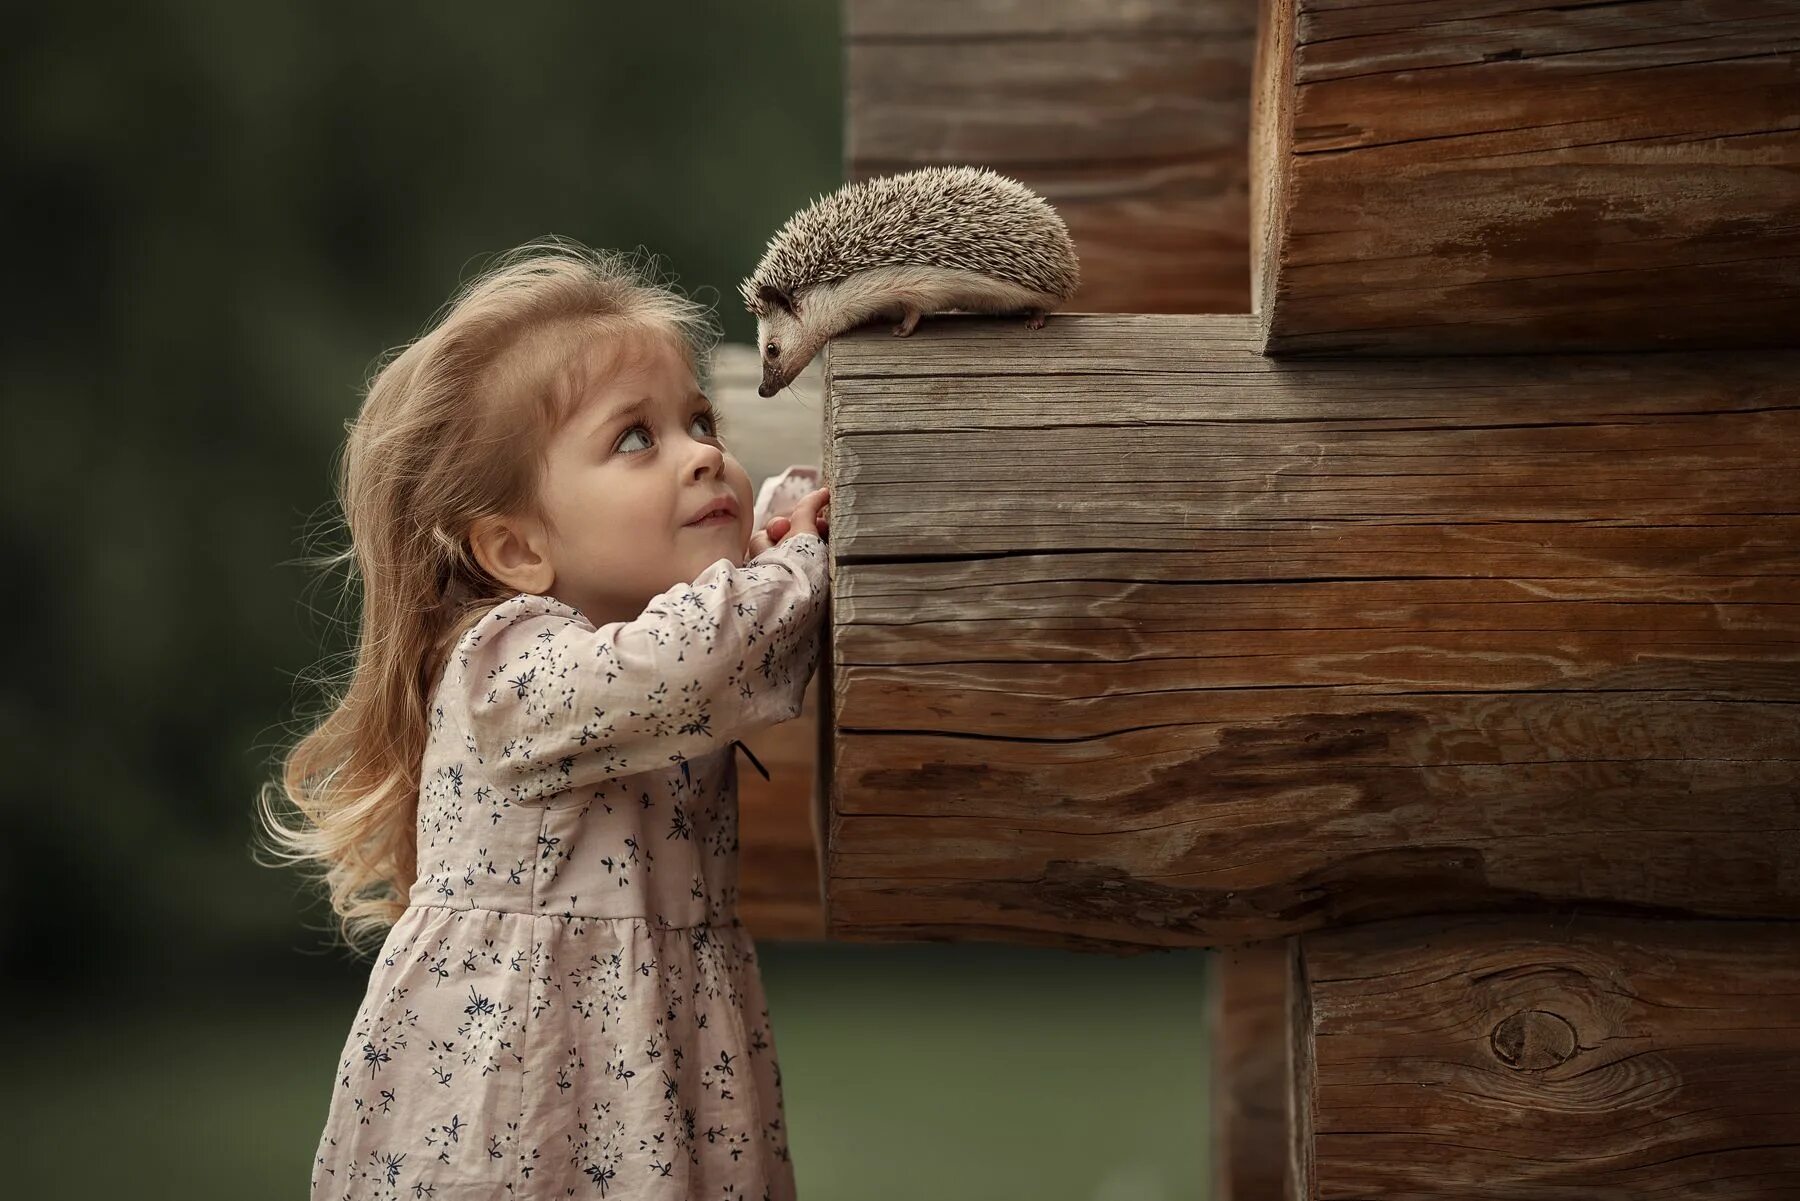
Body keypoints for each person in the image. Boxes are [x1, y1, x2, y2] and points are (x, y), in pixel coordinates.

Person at [257, 239, 830, 1200]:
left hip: (665, 1052)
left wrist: (773, 539)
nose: (704, 454)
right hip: (520, 1083)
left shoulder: (654, 644)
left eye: (699, 418)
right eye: (637, 438)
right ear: (515, 547)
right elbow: (698, 662)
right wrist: (799, 562)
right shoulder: (508, 662)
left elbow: (718, 642)